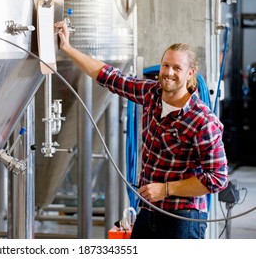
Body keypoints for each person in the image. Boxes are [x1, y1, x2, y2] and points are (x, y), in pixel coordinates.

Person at [54, 21, 228, 239]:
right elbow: (109, 76)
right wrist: (68, 49)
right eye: (166, 65)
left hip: (182, 218)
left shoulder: (202, 121)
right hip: (148, 210)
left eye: (177, 68)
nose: (169, 73)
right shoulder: (151, 94)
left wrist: (166, 190)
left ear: (190, 72)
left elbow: (218, 178)